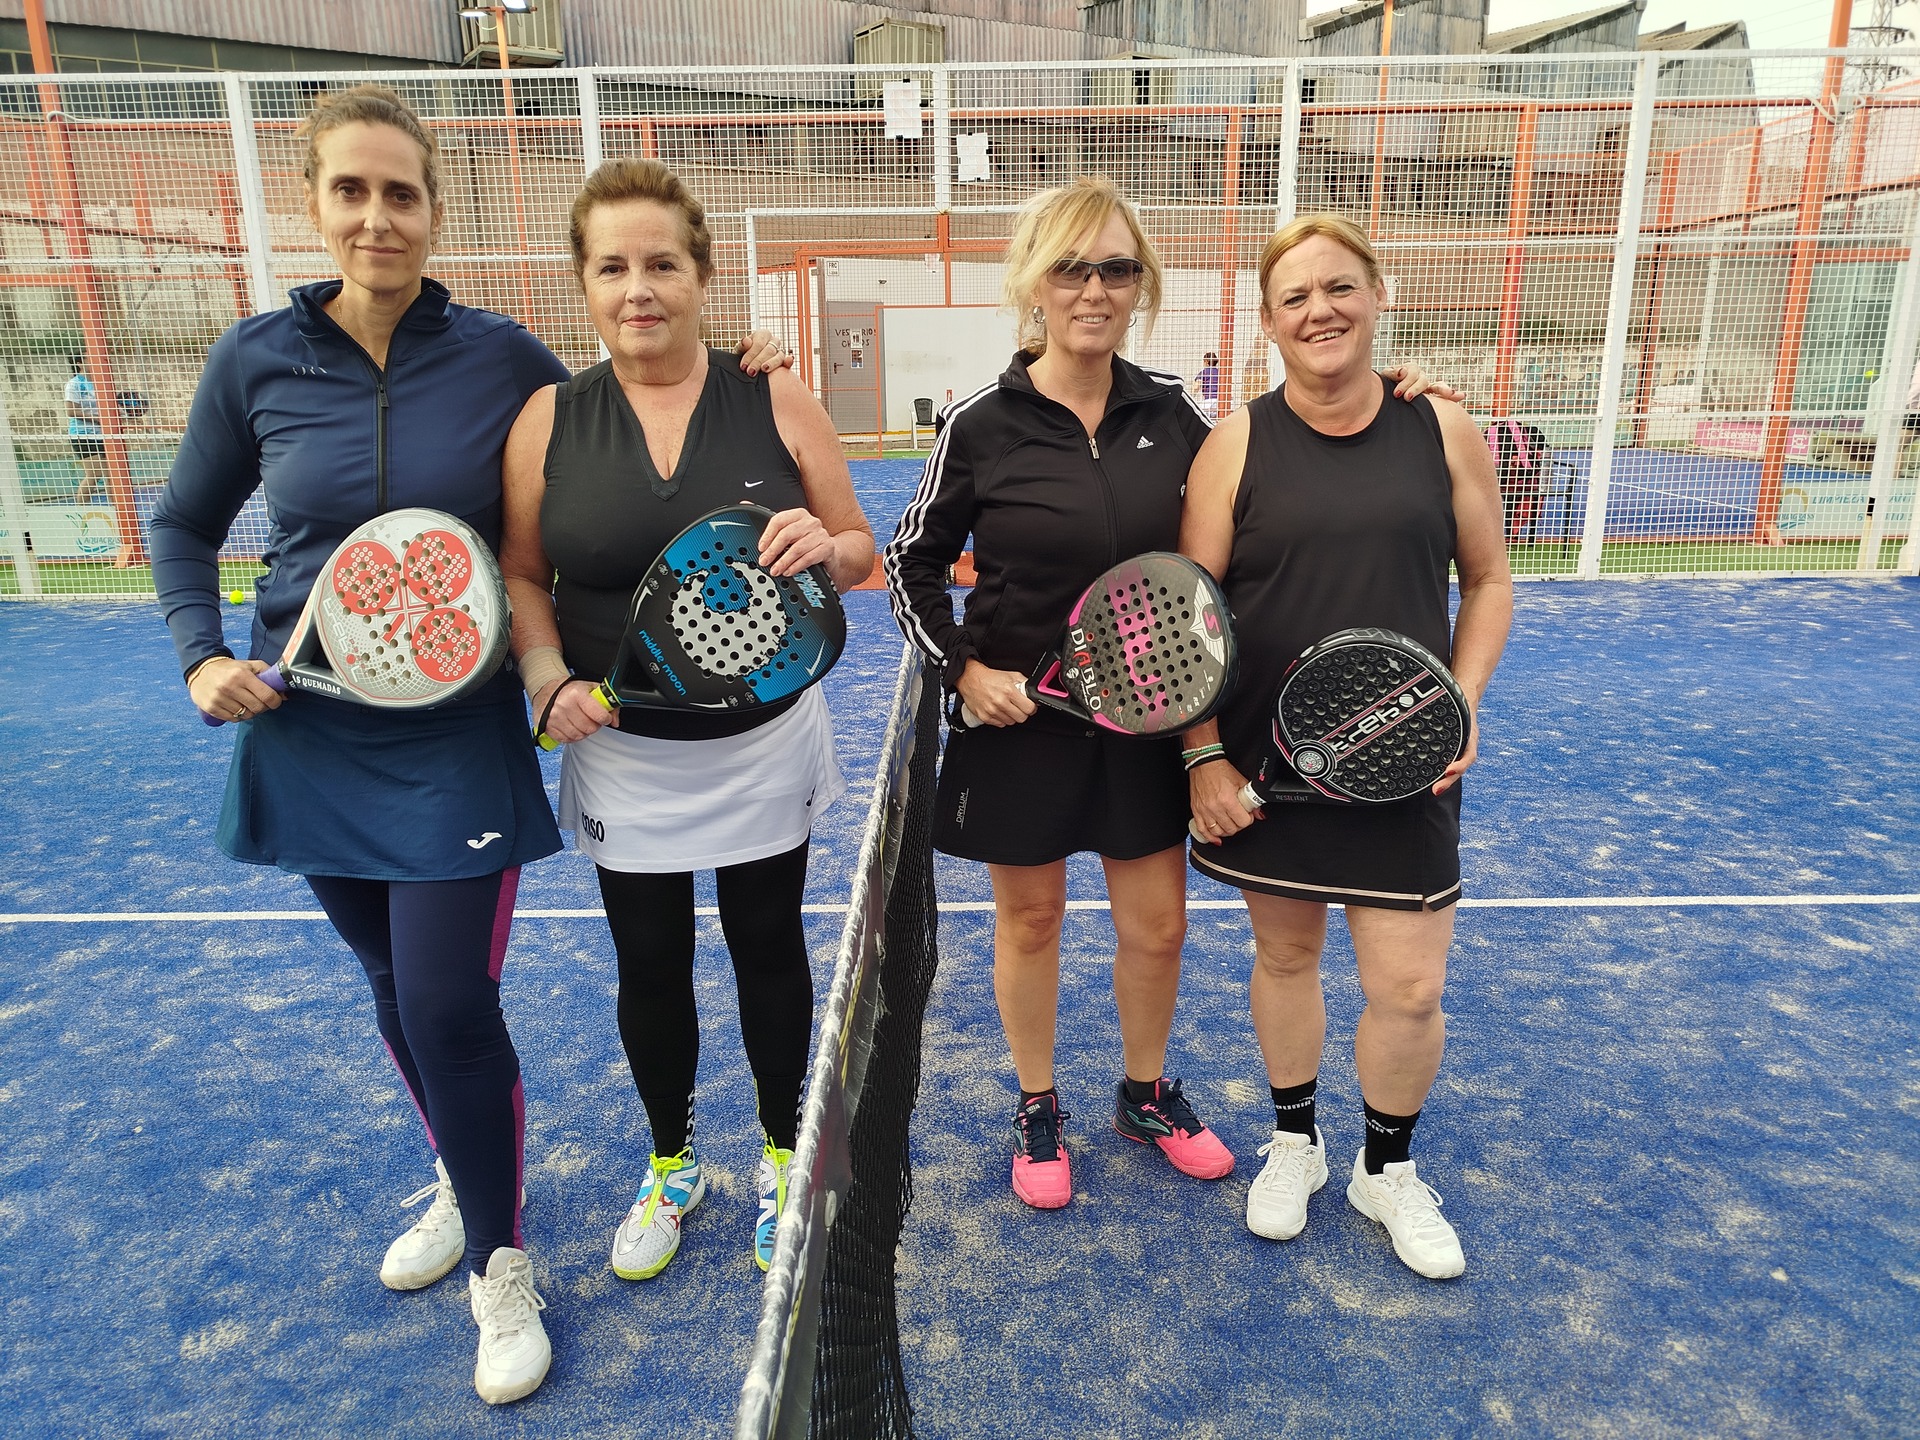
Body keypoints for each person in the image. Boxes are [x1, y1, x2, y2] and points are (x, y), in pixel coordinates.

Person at [150, 86, 787, 1405]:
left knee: (447, 999)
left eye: (402, 193)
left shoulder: (500, 359)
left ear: (434, 210)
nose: (377, 217)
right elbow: (183, 525)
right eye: (351, 191)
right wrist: (202, 655)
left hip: (453, 738)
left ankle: (502, 1267)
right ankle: (461, 1168)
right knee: (392, 988)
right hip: (308, 730)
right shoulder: (253, 360)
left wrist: (738, 372)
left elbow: (623, 410)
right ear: (314, 204)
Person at [884, 178, 1456, 1212]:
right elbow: (909, 561)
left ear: (1139, 284)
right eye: (1071, 268)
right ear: (1035, 284)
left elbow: (1265, 489)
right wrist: (964, 670)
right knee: (1031, 922)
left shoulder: (1176, 416)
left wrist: (1400, 390)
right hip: (1022, 724)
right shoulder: (981, 423)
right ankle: (1037, 1104)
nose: (1093, 289)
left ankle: (1144, 1096)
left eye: (1116, 269)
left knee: (1157, 930)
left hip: (1148, 719)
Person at [498, 158, 873, 1283]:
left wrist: (828, 546)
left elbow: (858, 547)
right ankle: (672, 1164)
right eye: (612, 267)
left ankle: (785, 1157)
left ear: (702, 276)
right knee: (649, 963)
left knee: (769, 949)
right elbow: (521, 573)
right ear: (584, 283)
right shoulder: (548, 419)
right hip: (620, 750)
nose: (638, 289)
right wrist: (546, 679)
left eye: (662, 263)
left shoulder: (774, 395)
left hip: (763, 742)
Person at [1182, 213, 1513, 1280]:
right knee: (1285, 956)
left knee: (1409, 988)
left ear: (1377, 295)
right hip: (1268, 763)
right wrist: (1203, 756)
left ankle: (1387, 1167)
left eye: (1338, 287)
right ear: (1269, 320)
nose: (1319, 310)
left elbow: (1489, 579)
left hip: (1406, 760)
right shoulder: (1235, 442)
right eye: (1294, 296)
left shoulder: (1442, 426)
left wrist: (1461, 699)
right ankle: (1295, 1144)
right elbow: (1193, 615)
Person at [64, 354, 106, 504]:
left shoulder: (100, 382)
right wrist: (97, 418)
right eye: (89, 358)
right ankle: (82, 509)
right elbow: (71, 411)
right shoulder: (74, 384)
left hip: (103, 434)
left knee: (114, 475)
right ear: (79, 363)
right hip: (83, 435)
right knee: (94, 474)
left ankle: (119, 511)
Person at [1195, 350, 1222, 421]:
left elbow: (1196, 387)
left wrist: (1192, 396)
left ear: (1206, 362)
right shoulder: (1221, 373)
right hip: (1221, 402)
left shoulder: (1204, 372)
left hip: (1208, 402)